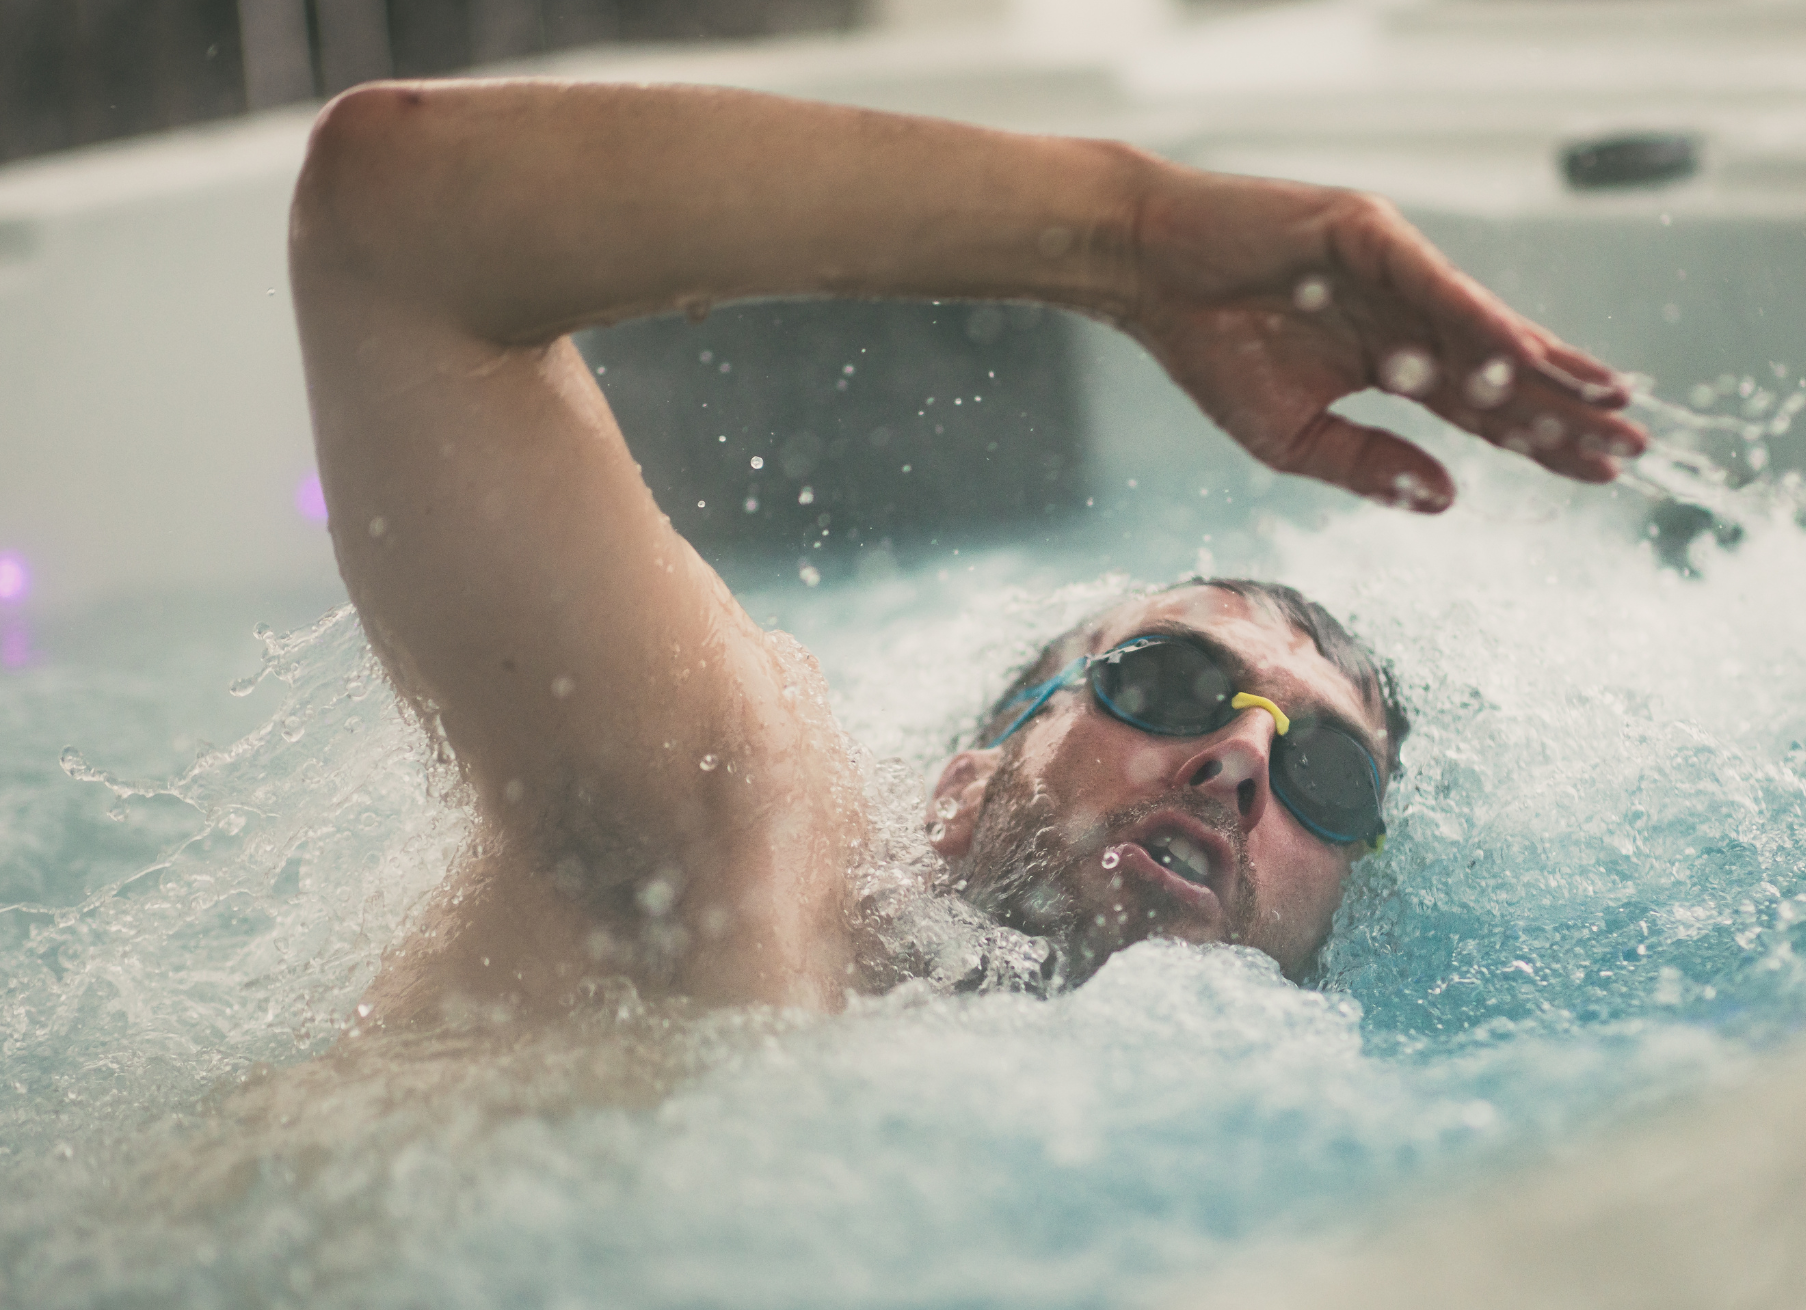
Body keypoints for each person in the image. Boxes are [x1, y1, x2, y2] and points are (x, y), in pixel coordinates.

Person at [291, 77, 1645, 1027]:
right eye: (1168, 681)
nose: (1240, 760)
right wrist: (1127, 241)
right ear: (965, 776)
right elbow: (389, 218)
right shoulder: (746, 835)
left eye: (1327, 774)